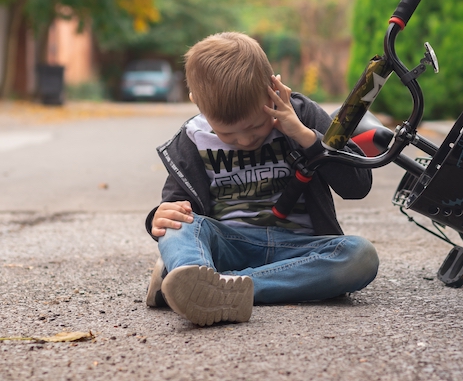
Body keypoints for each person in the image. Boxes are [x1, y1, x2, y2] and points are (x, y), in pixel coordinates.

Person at [144, 31, 378, 326]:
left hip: (297, 252)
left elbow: (357, 185)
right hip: (230, 245)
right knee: (177, 229)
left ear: (273, 88)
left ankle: (203, 288)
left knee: (361, 256)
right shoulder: (192, 140)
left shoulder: (301, 116)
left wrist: (306, 137)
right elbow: (177, 206)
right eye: (228, 134)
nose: (244, 140)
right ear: (197, 103)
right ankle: (193, 276)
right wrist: (161, 216)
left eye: (255, 127)